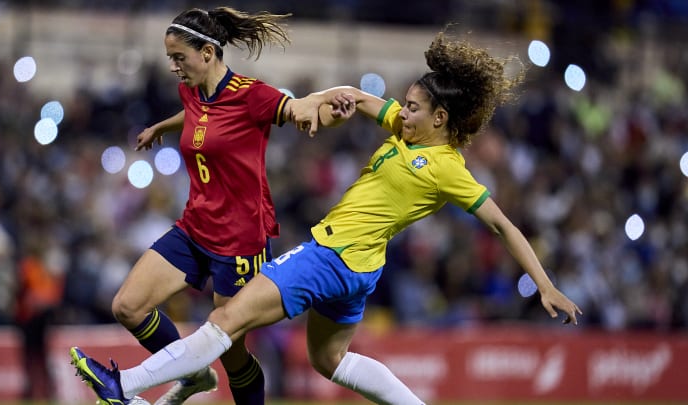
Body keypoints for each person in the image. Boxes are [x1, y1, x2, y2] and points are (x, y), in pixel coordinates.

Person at [70, 29, 583, 405]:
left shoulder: (450, 170)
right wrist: (326, 103)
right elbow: (359, 98)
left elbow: (503, 225)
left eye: (410, 107)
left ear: (439, 119)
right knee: (329, 361)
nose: (399, 113)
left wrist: (544, 284)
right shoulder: (408, 133)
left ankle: (127, 383)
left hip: (330, 256)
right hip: (361, 271)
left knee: (225, 320)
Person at [95, 7, 344, 405]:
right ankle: (192, 374)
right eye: (170, 59)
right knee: (127, 305)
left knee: (231, 352)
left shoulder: (253, 96)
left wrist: (326, 109)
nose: (174, 68)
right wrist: (162, 127)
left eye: (180, 58)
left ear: (208, 53)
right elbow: (198, 116)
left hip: (240, 241)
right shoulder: (191, 92)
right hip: (195, 227)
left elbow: (294, 108)